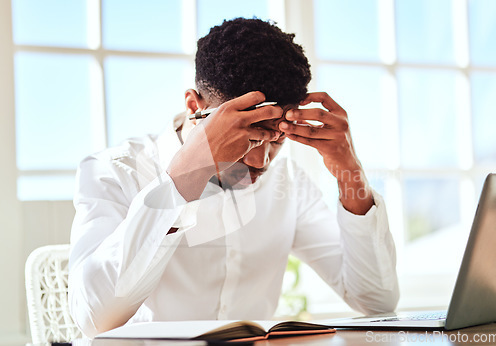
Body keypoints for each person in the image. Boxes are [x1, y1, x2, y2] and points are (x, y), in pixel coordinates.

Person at [68, 18, 399, 338]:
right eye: (247, 136)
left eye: (276, 138)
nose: (260, 161)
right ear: (194, 106)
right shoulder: (112, 172)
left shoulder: (288, 184)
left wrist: (350, 173)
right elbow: (94, 319)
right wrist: (186, 175)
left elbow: (375, 301)